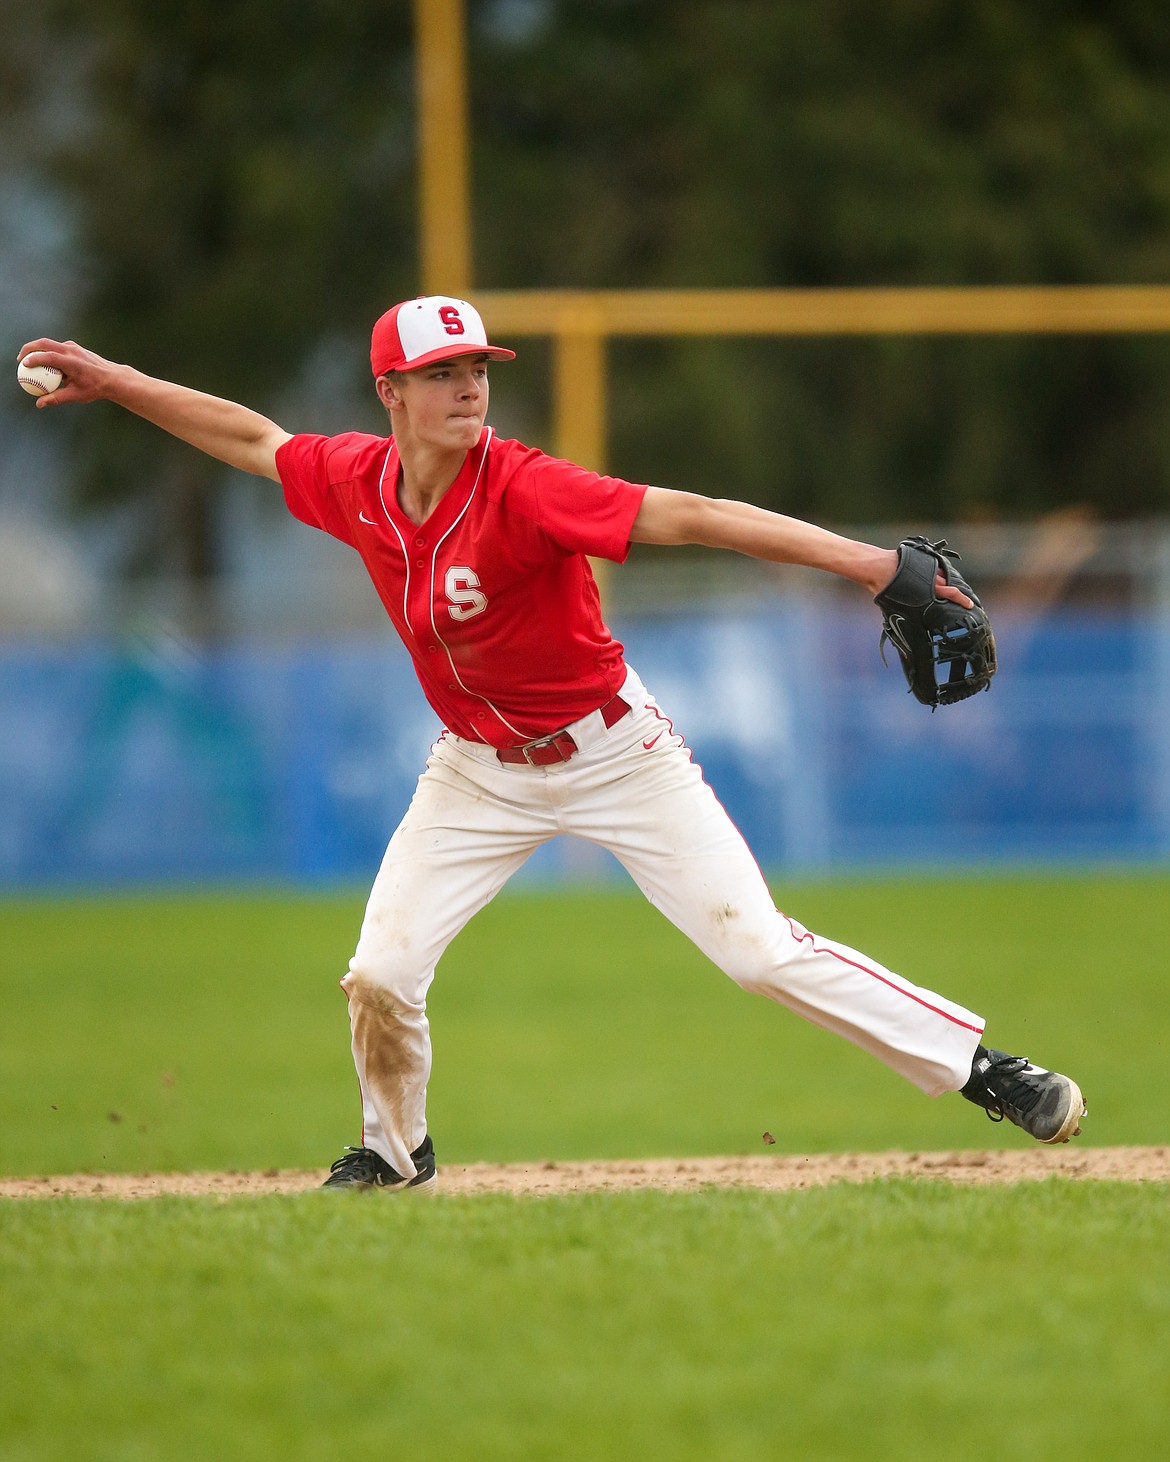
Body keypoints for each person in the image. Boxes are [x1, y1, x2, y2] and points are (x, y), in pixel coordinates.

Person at [19, 296, 1085, 1191]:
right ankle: (395, 1154)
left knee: (756, 949)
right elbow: (252, 438)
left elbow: (697, 514)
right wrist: (115, 380)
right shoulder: (357, 484)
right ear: (389, 394)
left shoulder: (524, 486)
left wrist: (870, 568)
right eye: (441, 372)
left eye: (477, 367)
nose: (468, 387)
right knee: (380, 972)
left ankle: (986, 1069)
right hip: (476, 770)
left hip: (617, 755)